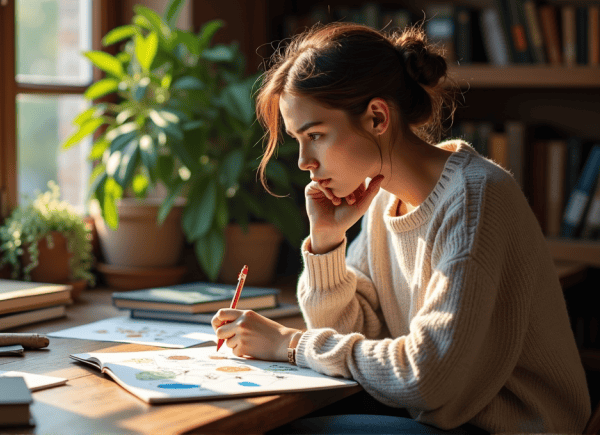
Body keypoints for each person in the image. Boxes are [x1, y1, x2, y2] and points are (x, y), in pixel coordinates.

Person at [211, 22, 591, 434]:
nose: (304, 161)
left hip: (508, 426)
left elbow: (426, 377)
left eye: (316, 135)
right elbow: (354, 332)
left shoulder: (475, 198)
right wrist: (326, 243)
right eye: (298, 139)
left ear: (377, 117)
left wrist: (289, 344)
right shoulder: (381, 201)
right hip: (442, 415)